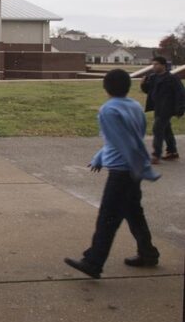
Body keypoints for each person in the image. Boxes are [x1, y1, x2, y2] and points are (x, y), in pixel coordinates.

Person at [65, 69, 161, 279]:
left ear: (105, 87)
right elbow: (131, 137)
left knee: (107, 219)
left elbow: (122, 141)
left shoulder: (108, 110)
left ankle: (93, 262)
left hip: (122, 172)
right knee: (134, 213)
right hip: (130, 170)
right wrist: (100, 157)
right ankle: (148, 253)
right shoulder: (135, 106)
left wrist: (143, 169)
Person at [141, 56, 184, 163]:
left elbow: (181, 93)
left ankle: (156, 155)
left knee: (157, 128)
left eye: (156, 64)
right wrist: (143, 84)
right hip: (157, 107)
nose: (154, 66)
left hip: (167, 108)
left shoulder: (172, 78)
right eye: (153, 64)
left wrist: (180, 109)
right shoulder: (153, 77)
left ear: (163, 65)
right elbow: (148, 91)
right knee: (166, 129)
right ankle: (172, 152)